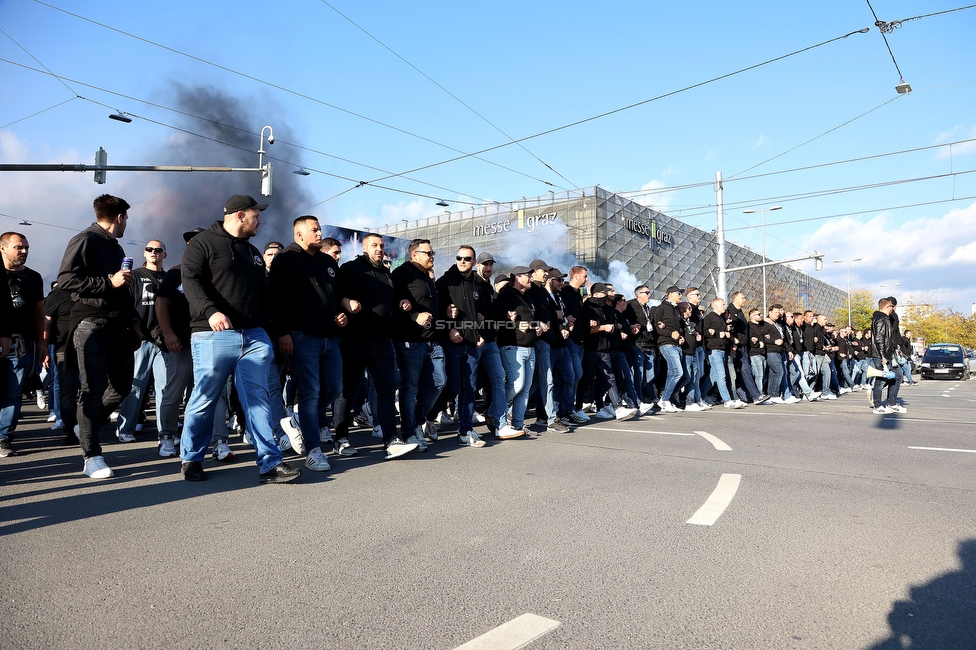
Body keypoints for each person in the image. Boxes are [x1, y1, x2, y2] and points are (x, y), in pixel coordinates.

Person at [178, 194, 301, 483]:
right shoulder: (202, 243)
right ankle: (191, 458)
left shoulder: (253, 252)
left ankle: (270, 464)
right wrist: (210, 312)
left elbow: (265, 298)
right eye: (256, 214)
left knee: (258, 400)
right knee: (205, 398)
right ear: (239, 215)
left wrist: (275, 331)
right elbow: (191, 281)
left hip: (254, 336)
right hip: (213, 335)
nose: (261, 219)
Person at [57, 195, 142, 479]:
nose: (127, 223)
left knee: (122, 387)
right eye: (126, 218)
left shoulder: (115, 246)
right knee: (91, 390)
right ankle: (91, 456)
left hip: (119, 325)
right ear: (119, 217)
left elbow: (124, 289)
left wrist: (134, 321)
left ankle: (87, 423)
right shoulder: (85, 240)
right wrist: (108, 281)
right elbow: (66, 279)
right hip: (90, 323)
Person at [269, 216, 347, 471]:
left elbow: (334, 297)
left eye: (320, 228)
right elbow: (275, 300)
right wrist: (282, 333)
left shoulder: (327, 262)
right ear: (299, 234)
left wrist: (341, 312)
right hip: (301, 338)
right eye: (314, 229)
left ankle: (301, 418)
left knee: (334, 389)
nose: (319, 232)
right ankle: (313, 450)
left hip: (330, 338)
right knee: (310, 392)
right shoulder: (286, 259)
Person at [335, 233, 416, 460]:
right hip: (356, 340)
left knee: (387, 392)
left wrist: (401, 301)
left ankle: (391, 441)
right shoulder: (351, 269)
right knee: (347, 391)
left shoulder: (386, 273)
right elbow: (336, 293)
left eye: (381, 246)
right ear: (364, 248)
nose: (379, 249)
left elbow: (389, 299)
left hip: (382, 342)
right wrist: (345, 303)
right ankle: (340, 438)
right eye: (374, 246)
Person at [391, 238, 446, 452]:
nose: (432, 257)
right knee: (410, 388)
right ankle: (408, 433)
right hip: (411, 342)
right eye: (428, 253)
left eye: (433, 253)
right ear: (414, 255)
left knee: (439, 382)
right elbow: (394, 303)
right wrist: (414, 315)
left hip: (433, 341)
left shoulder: (426, 276)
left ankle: (416, 423)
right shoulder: (401, 274)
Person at [116, 239, 168, 442]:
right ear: (144, 254)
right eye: (149, 249)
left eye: (158, 249)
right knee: (135, 385)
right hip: (141, 340)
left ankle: (165, 432)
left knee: (164, 388)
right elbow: (126, 304)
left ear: (164, 254)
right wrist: (134, 330)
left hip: (164, 342)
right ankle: (125, 428)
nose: (154, 252)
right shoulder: (136, 275)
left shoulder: (169, 277)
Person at [436, 245, 488, 447]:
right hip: (452, 342)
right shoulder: (444, 282)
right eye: (459, 257)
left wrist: (480, 330)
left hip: (472, 343)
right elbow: (438, 312)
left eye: (467, 258)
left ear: (474, 262)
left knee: (470, 388)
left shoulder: (478, 283)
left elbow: (480, 311)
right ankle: (429, 417)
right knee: (451, 386)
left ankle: (465, 430)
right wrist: (449, 329)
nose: (462, 261)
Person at [0, 232, 46, 457]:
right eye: (19, 247)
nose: (24, 251)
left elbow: (39, 313)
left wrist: (41, 343)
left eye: (26, 247)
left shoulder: (34, 278)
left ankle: (3, 437)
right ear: (3, 248)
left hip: (21, 344)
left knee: (12, 392)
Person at [493, 266, 539, 438]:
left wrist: (537, 327)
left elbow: (529, 321)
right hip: (513, 346)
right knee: (516, 385)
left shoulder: (526, 297)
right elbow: (496, 321)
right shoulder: (506, 295)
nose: (530, 278)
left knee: (525, 388)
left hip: (530, 347)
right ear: (518, 278)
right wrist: (514, 323)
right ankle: (494, 411)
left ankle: (518, 424)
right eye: (528, 276)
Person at [868, 298, 905, 414]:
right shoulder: (880, 319)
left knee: (898, 376)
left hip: (888, 354)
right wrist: (883, 355)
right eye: (891, 307)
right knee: (881, 379)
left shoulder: (885, 319)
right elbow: (879, 338)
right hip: (881, 355)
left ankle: (891, 403)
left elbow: (889, 338)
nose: (892, 310)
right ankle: (877, 406)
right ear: (887, 307)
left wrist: (893, 351)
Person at [702, 297, 741, 408]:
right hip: (714, 350)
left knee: (713, 377)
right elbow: (705, 332)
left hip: (722, 350)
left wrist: (727, 335)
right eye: (723, 304)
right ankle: (727, 400)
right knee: (721, 376)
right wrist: (719, 334)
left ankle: (700, 395)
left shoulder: (721, 319)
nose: (725, 306)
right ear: (716, 306)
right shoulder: (709, 317)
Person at [653, 285, 686, 413]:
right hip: (666, 344)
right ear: (670, 294)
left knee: (677, 374)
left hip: (676, 344)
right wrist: (669, 333)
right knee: (677, 372)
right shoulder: (661, 308)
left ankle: (667, 399)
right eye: (679, 293)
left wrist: (680, 337)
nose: (680, 296)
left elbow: (676, 329)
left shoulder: (676, 310)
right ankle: (665, 399)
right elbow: (656, 327)